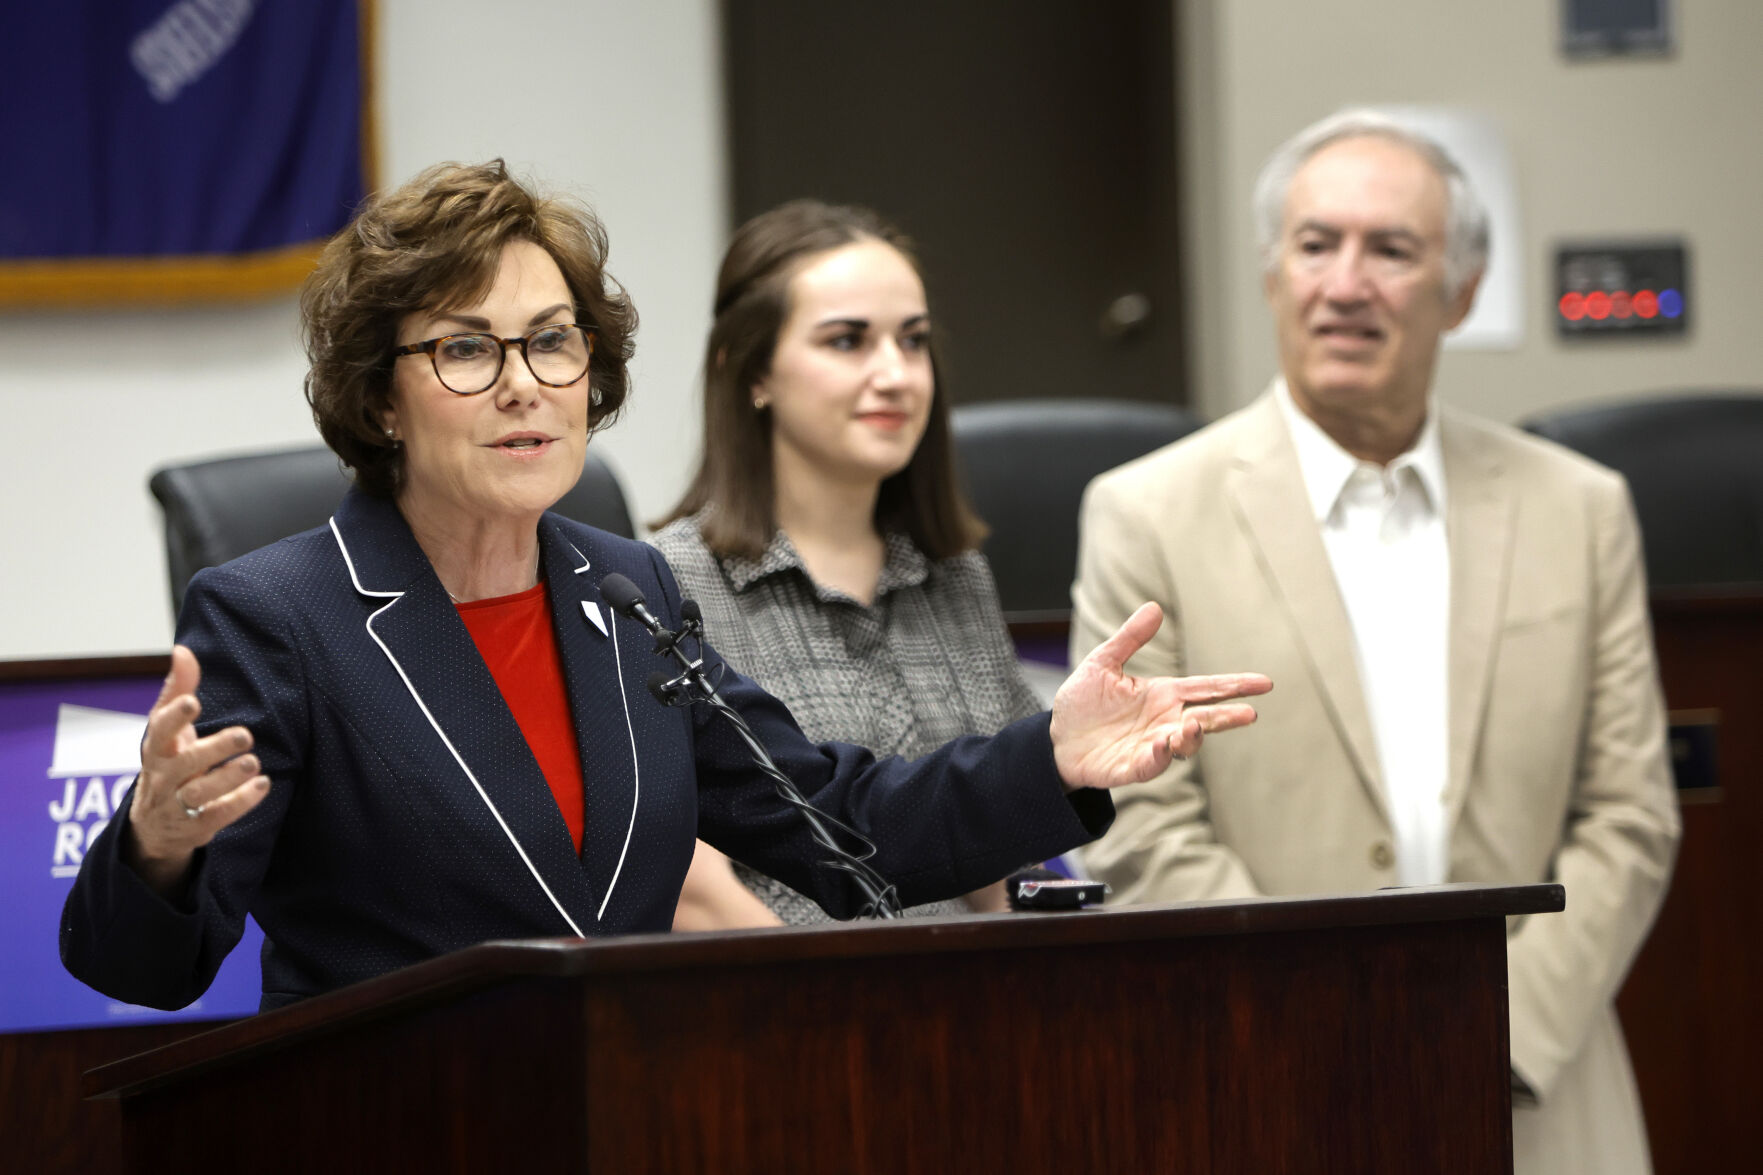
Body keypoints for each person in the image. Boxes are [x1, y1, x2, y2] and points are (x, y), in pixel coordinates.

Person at [60, 160, 1272, 1013]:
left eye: (553, 339)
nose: (525, 383)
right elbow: (143, 966)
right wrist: (159, 845)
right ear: (382, 396)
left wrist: (1048, 757)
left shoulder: (623, 588)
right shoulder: (281, 615)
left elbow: (842, 828)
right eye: (467, 349)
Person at [1069, 110, 1679, 1175]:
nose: (1344, 283)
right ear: (1271, 274)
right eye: (1314, 244)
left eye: (1391, 249)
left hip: (1540, 1095)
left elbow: (1627, 813)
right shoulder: (1145, 512)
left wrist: (1500, 1035)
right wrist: (1333, 1030)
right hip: (1267, 1085)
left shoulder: (1580, 508)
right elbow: (1140, 825)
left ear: (1462, 291)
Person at [652, 200, 1037, 929]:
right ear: (751, 373)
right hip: (793, 1014)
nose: (896, 374)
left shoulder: (955, 575)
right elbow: (694, 890)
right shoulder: (670, 587)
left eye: (913, 340)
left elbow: (996, 858)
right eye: (847, 341)